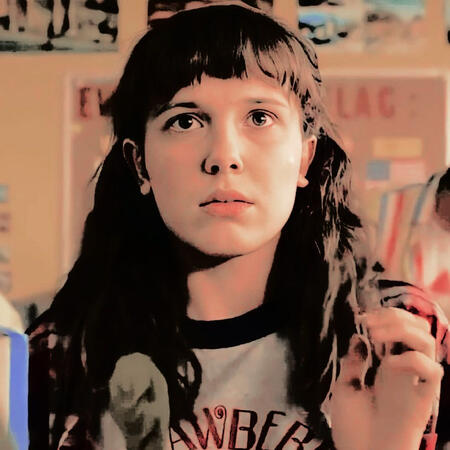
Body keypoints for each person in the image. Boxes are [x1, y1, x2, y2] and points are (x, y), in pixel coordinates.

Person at [23, 3, 449, 449]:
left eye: (260, 117)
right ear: (139, 164)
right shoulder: (59, 358)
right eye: (185, 121)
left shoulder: (403, 340)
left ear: (304, 157)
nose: (224, 156)